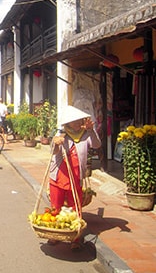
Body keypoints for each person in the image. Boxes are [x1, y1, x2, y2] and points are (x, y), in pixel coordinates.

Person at [49, 105, 101, 250]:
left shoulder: (86, 135)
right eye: (75, 121)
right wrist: (56, 143)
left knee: (75, 208)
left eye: (80, 120)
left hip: (76, 177)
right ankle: (54, 235)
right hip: (59, 176)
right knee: (56, 207)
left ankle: (75, 238)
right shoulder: (60, 134)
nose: (78, 123)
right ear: (68, 123)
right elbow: (53, 152)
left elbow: (97, 145)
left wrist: (91, 131)